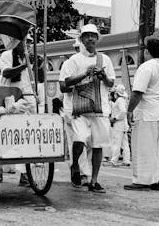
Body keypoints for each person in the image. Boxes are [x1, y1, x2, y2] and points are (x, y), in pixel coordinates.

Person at [62, 24, 115, 193]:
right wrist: (85, 74)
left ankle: (94, 180)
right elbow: (64, 84)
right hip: (79, 108)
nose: (90, 38)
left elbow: (111, 83)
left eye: (93, 35)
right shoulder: (73, 61)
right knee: (80, 139)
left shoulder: (105, 59)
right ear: (82, 39)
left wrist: (103, 76)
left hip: (100, 108)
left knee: (98, 145)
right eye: (87, 36)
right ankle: (75, 165)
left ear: (97, 39)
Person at [124, 36, 159, 191]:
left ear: (147, 51)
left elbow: (137, 93)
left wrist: (129, 110)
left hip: (150, 113)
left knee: (144, 146)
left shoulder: (147, 67)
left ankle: (142, 179)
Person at [0, 38, 37, 186]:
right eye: (24, 42)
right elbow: (7, 73)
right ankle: (4, 169)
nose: (27, 45)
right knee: (11, 135)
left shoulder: (29, 57)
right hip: (13, 98)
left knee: (28, 137)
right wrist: (24, 65)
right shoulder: (7, 55)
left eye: (29, 43)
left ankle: (25, 173)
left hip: (29, 98)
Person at [59, 38, 92, 188]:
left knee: (89, 141)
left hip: (88, 106)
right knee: (78, 139)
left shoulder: (94, 62)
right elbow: (63, 87)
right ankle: (79, 171)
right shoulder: (69, 63)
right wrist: (80, 86)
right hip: (72, 107)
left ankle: (83, 170)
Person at [110, 84, 131, 167]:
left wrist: (114, 118)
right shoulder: (123, 100)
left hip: (118, 125)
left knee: (116, 143)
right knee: (124, 143)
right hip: (123, 125)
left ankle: (114, 160)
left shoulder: (119, 100)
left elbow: (122, 111)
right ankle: (126, 160)